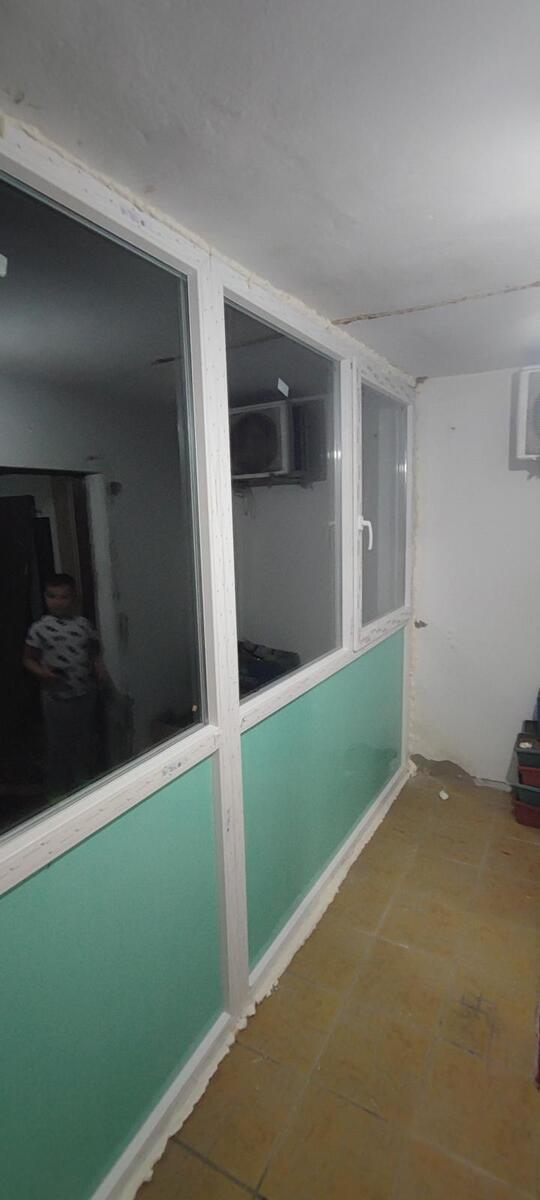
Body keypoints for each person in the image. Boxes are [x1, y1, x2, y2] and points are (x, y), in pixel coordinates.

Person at [23, 573, 106, 799]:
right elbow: (28, 659)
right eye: (52, 596)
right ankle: (57, 791)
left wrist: (98, 667)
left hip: (84, 694)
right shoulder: (39, 628)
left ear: (73, 598)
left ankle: (82, 784)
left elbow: (94, 652)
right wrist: (42, 672)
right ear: (45, 597)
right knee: (57, 744)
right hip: (55, 697)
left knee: (83, 741)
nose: (57, 602)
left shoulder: (83, 625)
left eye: (63, 597)